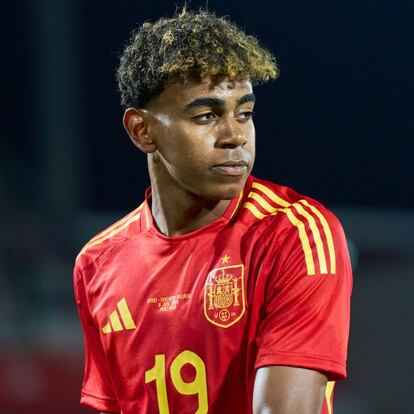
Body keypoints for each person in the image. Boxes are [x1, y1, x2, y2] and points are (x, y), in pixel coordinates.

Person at [73, 8, 352, 414]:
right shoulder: (97, 264)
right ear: (141, 130)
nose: (235, 135)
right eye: (206, 116)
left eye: (244, 113)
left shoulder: (297, 234)